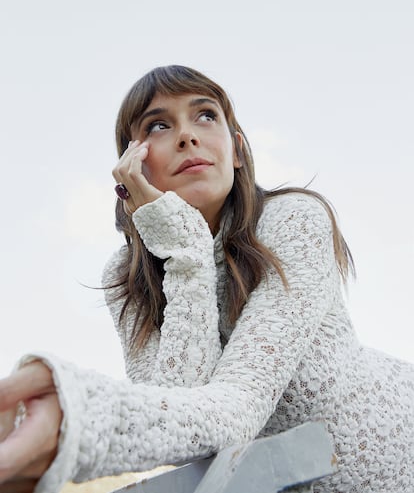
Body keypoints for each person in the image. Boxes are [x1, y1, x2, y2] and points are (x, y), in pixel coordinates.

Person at [0, 65, 413, 493]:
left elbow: (236, 407)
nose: (186, 135)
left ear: (235, 149)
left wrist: (73, 415)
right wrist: (184, 252)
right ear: (130, 166)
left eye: (205, 115)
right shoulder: (125, 277)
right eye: (158, 125)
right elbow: (176, 415)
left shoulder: (293, 220)